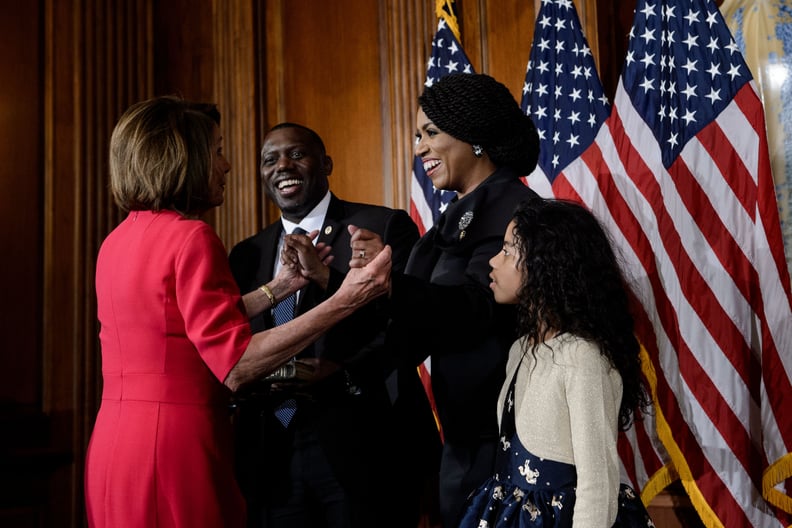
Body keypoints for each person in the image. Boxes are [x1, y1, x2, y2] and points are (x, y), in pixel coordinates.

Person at [84, 96, 392, 528]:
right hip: (174, 447)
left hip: (115, 447)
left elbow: (179, 322)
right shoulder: (191, 236)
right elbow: (237, 364)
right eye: (217, 150)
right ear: (186, 158)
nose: (226, 165)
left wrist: (279, 288)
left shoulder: (115, 241)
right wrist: (348, 299)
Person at [349, 72, 541, 528]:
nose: (419, 148)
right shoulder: (454, 219)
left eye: (431, 133)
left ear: (474, 136)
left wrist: (389, 282)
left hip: (502, 439)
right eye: (418, 135)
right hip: (461, 438)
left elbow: (475, 309)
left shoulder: (514, 211)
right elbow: (418, 319)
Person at [227, 122, 420, 528]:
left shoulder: (380, 227)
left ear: (326, 163)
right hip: (271, 450)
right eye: (269, 159)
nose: (283, 166)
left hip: (356, 442)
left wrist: (341, 370)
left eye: (296, 154)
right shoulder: (246, 254)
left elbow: (407, 328)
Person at [457, 197, 654, 527]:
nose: (492, 261)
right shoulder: (521, 348)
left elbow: (597, 481)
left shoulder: (582, 357)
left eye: (507, 251)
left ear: (545, 264)